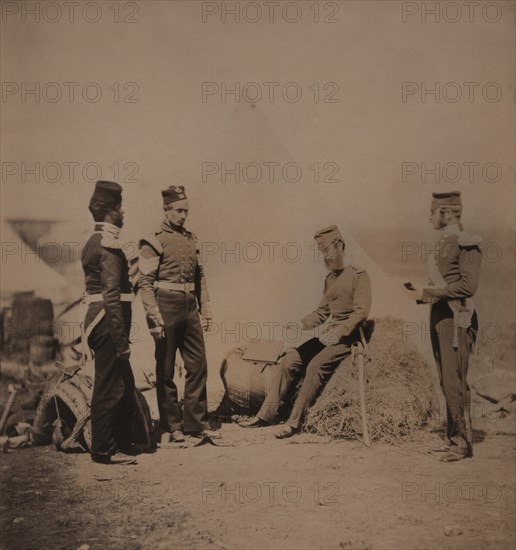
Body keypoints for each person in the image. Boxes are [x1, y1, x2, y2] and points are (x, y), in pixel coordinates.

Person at [239, 225, 372, 439]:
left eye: (327, 250)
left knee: (315, 365)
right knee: (289, 360)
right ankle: (267, 415)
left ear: (340, 246)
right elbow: (321, 313)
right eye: (322, 252)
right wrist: (299, 324)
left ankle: (294, 422)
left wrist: (339, 332)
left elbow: (361, 312)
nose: (325, 257)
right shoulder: (329, 279)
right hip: (328, 335)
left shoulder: (359, 275)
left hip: (349, 338)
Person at [138, 186, 213, 444]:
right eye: (179, 211)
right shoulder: (153, 241)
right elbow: (145, 283)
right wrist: (153, 316)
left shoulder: (192, 239)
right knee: (166, 369)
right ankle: (173, 426)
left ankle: (194, 423)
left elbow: (200, 277)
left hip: (190, 306)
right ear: (166, 210)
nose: (183, 216)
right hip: (166, 306)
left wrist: (207, 310)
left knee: (198, 364)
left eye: (186, 211)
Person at [412, 191, 482, 462]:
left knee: (455, 379)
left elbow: (468, 286)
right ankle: (453, 436)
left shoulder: (467, 242)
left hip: (456, 317)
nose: (429, 217)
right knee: (445, 379)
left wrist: (435, 291)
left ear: (445, 212)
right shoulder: (445, 242)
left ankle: (462, 442)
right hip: (440, 315)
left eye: (433, 212)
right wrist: (423, 294)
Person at [81, 180, 138, 465]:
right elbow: (112, 297)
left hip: (98, 320)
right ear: (109, 212)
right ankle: (103, 449)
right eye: (119, 208)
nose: (123, 213)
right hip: (107, 321)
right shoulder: (108, 245)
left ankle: (129, 441)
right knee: (109, 386)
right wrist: (122, 343)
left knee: (122, 383)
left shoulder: (92, 242)